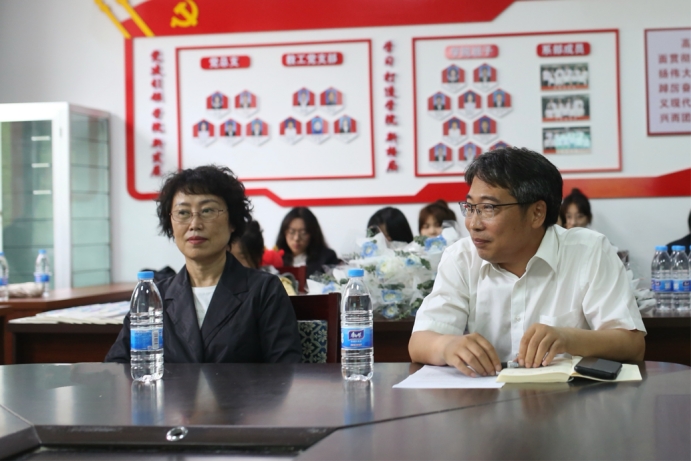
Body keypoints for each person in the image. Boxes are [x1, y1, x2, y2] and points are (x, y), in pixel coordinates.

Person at [408, 147, 645, 377]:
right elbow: (419, 342)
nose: (473, 223)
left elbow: (632, 345)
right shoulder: (461, 257)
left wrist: (568, 338)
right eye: (470, 207)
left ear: (536, 213)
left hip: (569, 398)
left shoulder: (588, 251)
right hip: (486, 400)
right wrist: (447, 346)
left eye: (488, 208)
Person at [105, 165, 302, 364]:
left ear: (232, 222)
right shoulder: (155, 297)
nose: (195, 224)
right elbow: (117, 366)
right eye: (183, 213)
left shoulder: (264, 290)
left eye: (207, 211)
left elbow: (286, 371)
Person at [275, 207, 340, 277]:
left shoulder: (327, 258)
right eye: (291, 232)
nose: (296, 238)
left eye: (303, 233)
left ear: (313, 233)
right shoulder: (276, 259)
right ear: (284, 233)